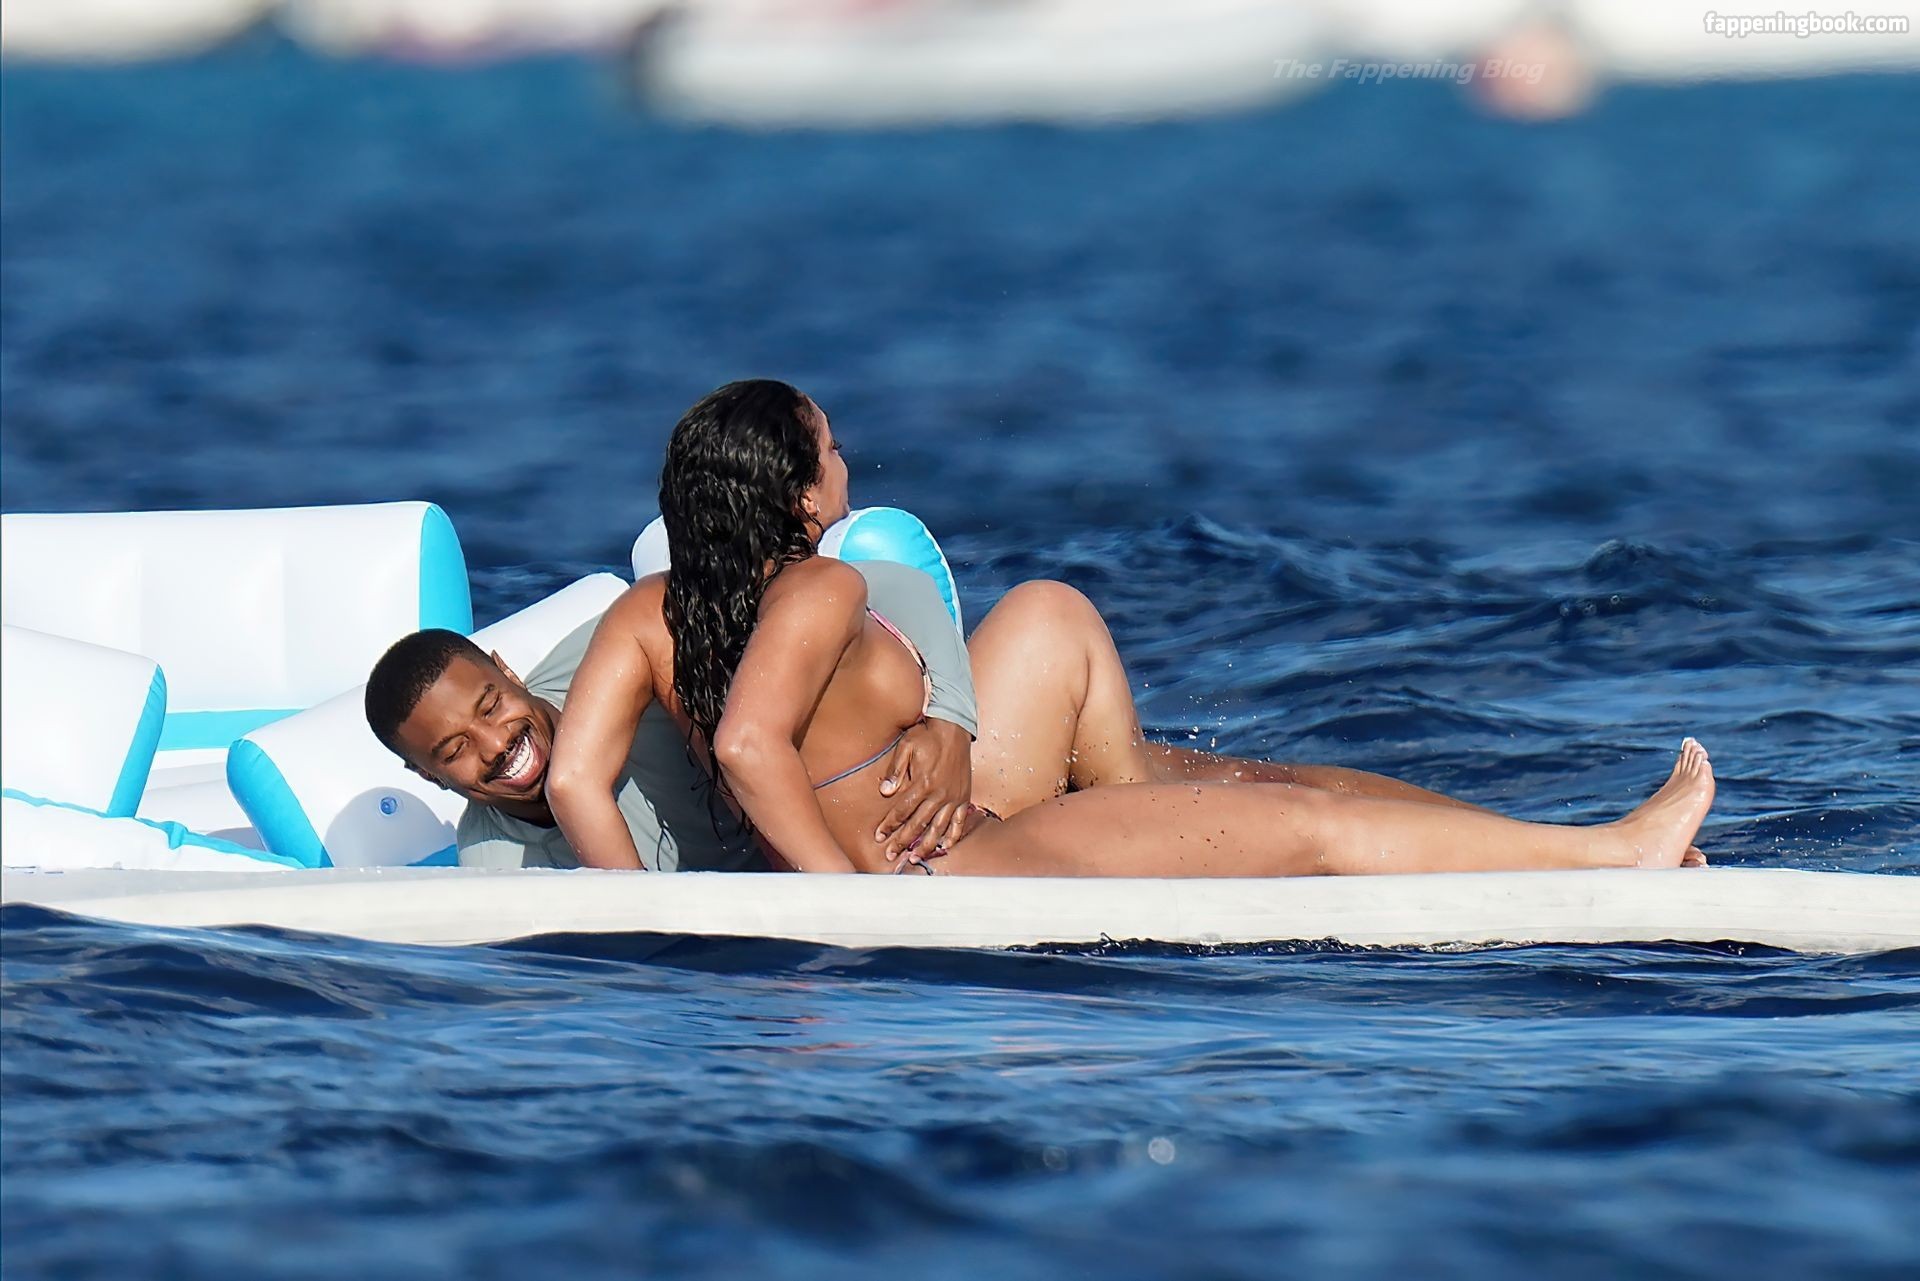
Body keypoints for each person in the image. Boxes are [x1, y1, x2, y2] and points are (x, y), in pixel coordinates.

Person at [545, 379, 1715, 877]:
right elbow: (750, 741)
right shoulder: (816, 589)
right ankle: (1609, 852)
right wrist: (842, 908)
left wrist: (647, 916)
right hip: (961, 865)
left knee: (1099, 658)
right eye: (835, 450)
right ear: (802, 498)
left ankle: (1145, 801)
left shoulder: (646, 617)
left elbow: (574, 784)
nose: (849, 464)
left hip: (950, 830)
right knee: (1303, 827)